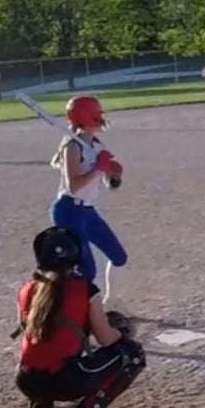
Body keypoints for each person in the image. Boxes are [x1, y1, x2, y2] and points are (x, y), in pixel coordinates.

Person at [16, 226, 147, 408]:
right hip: (66, 382)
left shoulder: (27, 288)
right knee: (133, 353)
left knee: (44, 352)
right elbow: (105, 339)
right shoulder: (85, 290)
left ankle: (41, 406)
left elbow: (28, 328)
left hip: (26, 380)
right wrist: (123, 332)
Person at [48, 95, 128, 295]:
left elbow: (108, 183)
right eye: (97, 114)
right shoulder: (72, 146)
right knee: (88, 270)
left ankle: (111, 300)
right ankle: (73, 306)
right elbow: (73, 186)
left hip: (87, 210)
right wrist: (98, 168)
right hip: (68, 211)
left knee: (119, 257)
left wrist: (114, 175)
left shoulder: (96, 145)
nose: (101, 117)